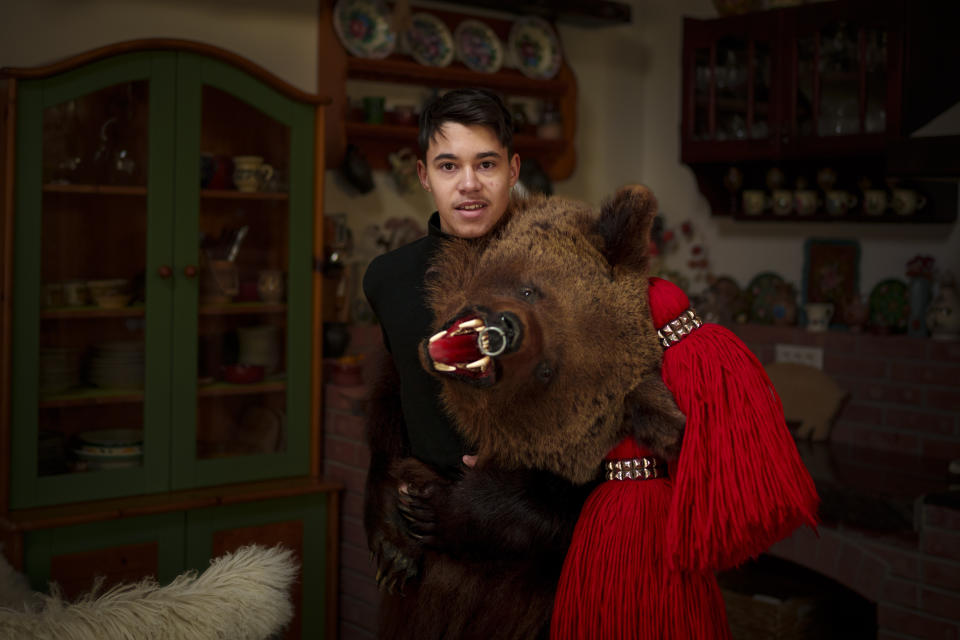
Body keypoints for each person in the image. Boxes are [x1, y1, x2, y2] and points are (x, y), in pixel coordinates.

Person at [361, 88, 591, 639]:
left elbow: (603, 419)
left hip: (532, 553)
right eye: (449, 165)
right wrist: (382, 488)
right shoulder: (388, 279)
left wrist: (510, 492)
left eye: (485, 164)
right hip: (429, 547)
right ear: (423, 174)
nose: (469, 184)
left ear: (513, 170)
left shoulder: (569, 274)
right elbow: (399, 390)